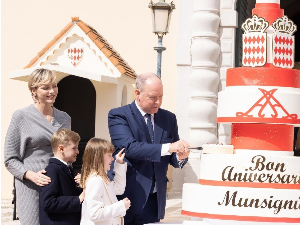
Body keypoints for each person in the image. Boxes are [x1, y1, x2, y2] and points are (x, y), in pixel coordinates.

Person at [108, 72, 191, 225]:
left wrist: (181, 156)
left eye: (161, 97)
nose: (158, 102)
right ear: (137, 93)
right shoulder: (119, 115)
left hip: (155, 199)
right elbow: (130, 148)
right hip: (127, 196)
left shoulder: (168, 118)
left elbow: (171, 156)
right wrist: (170, 147)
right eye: (153, 97)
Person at [4, 68, 71, 225]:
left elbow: (67, 153)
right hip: (31, 188)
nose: (52, 91)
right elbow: (10, 159)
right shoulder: (21, 117)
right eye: (45, 87)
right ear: (33, 90)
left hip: (59, 185)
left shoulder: (64, 118)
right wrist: (31, 175)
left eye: (54, 86)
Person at [80, 138, 130, 225]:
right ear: (97, 157)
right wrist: (121, 206)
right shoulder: (95, 180)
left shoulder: (102, 178)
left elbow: (119, 188)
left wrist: (119, 164)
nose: (112, 159)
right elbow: (94, 214)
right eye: (109, 155)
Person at [39, 128, 84, 225]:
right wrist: (77, 199)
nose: (78, 151)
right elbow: (48, 202)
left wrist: (82, 184)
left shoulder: (67, 168)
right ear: (61, 149)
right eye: (74, 148)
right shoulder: (52, 170)